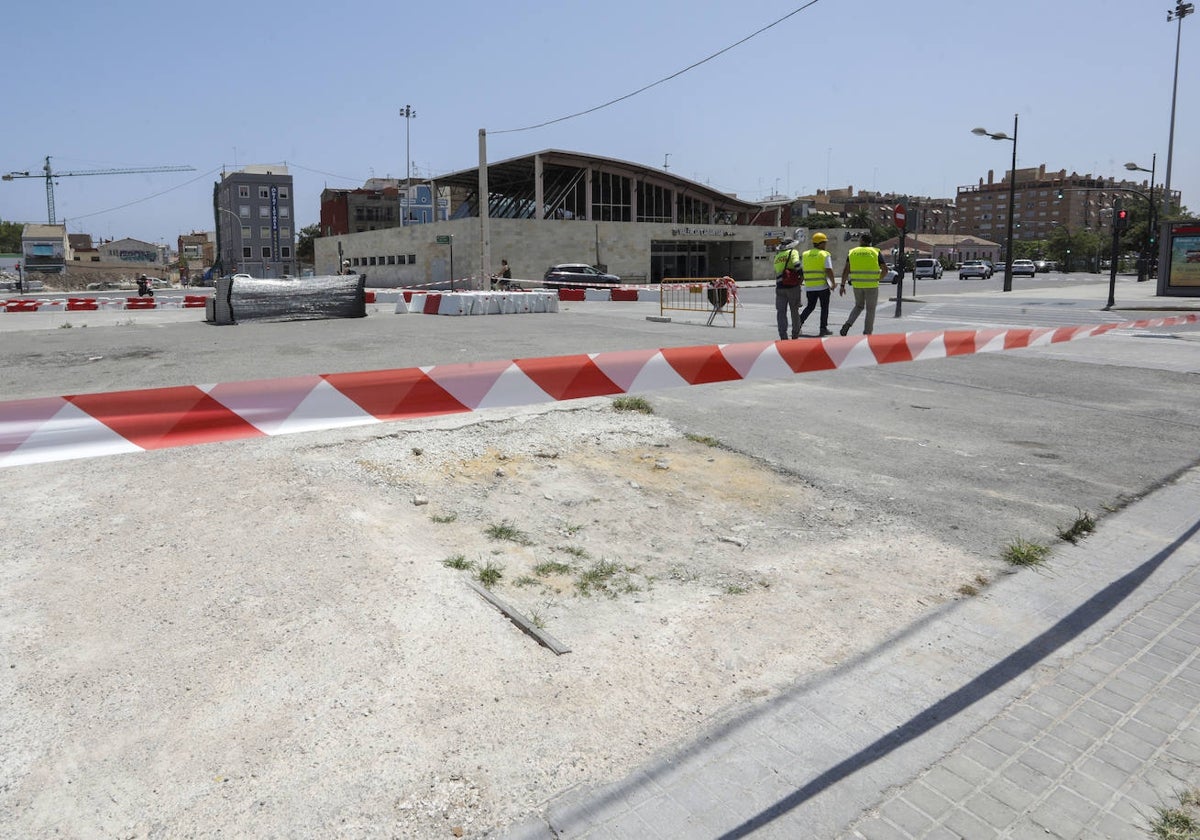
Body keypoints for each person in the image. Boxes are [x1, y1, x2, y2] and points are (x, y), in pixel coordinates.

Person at [838, 232, 888, 336]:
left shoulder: (852, 252)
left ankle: (848, 324)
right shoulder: (875, 252)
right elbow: (885, 270)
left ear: (861, 240)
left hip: (857, 285)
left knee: (858, 306)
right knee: (870, 310)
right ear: (869, 242)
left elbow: (846, 271)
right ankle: (867, 333)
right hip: (871, 285)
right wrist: (878, 278)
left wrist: (842, 285)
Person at [798, 232, 836, 336]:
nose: (825, 245)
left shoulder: (805, 254)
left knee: (810, 307)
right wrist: (833, 283)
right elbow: (829, 270)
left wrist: (800, 283)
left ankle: (798, 324)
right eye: (824, 242)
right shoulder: (824, 254)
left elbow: (802, 270)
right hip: (822, 286)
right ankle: (823, 328)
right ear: (820, 243)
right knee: (824, 308)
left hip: (810, 286)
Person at [772, 240, 804, 340]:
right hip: (792, 286)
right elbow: (797, 264)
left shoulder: (777, 256)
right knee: (794, 310)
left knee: (781, 312)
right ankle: (795, 334)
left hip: (780, 287)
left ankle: (783, 335)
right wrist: (802, 276)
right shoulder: (792, 252)